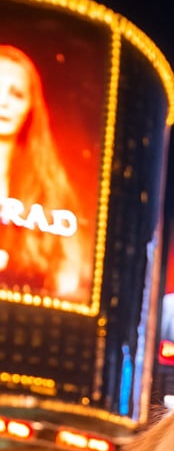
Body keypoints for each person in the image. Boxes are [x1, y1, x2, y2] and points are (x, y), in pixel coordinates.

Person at [0, 44, 85, 300]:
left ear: (30, 106)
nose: (3, 102)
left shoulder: (49, 188)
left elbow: (69, 275)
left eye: (16, 94)